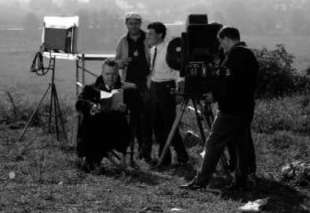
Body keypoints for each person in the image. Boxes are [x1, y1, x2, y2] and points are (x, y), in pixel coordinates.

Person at [181, 27, 259, 190]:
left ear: (227, 39)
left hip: (231, 109)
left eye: (221, 41)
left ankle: (200, 181)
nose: (221, 45)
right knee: (241, 145)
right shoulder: (248, 54)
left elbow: (227, 82)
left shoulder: (236, 54)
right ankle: (241, 181)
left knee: (213, 143)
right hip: (245, 107)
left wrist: (214, 95)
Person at [76, 59, 131, 172]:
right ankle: (93, 161)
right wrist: (91, 106)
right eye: (107, 74)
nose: (110, 77)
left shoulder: (126, 90)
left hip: (116, 129)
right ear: (102, 73)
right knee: (92, 122)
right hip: (96, 129)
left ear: (118, 74)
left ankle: (92, 162)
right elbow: (79, 104)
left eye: (114, 74)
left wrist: (126, 108)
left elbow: (136, 108)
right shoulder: (91, 89)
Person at [146, 22, 189, 166]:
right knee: (156, 124)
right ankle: (164, 158)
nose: (148, 36)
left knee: (170, 123)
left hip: (166, 87)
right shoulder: (153, 49)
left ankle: (182, 156)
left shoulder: (170, 49)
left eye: (151, 33)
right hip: (154, 87)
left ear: (160, 34)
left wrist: (179, 92)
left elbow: (179, 72)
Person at [115, 12, 153, 163]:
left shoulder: (148, 38)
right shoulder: (123, 41)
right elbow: (116, 61)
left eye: (136, 23)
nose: (133, 26)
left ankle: (146, 151)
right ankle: (135, 151)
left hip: (146, 83)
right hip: (129, 84)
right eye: (130, 23)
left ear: (140, 24)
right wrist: (122, 62)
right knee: (134, 118)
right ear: (126, 24)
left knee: (147, 118)